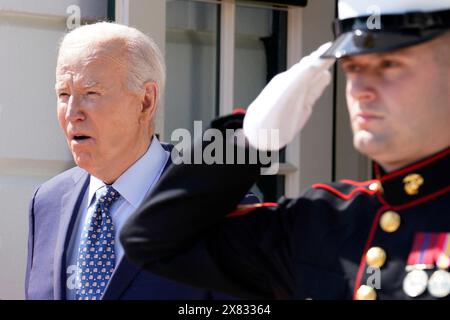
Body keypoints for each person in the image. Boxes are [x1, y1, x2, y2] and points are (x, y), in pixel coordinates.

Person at [121, 0, 450, 300]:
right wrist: (248, 140)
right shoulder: (327, 220)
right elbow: (152, 242)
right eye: (353, 68)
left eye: (389, 63)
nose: (361, 90)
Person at [25, 22, 255, 300]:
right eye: (64, 94)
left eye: (91, 93)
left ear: (146, 101)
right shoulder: (47, 202)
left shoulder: (219, 203)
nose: (72, 113)